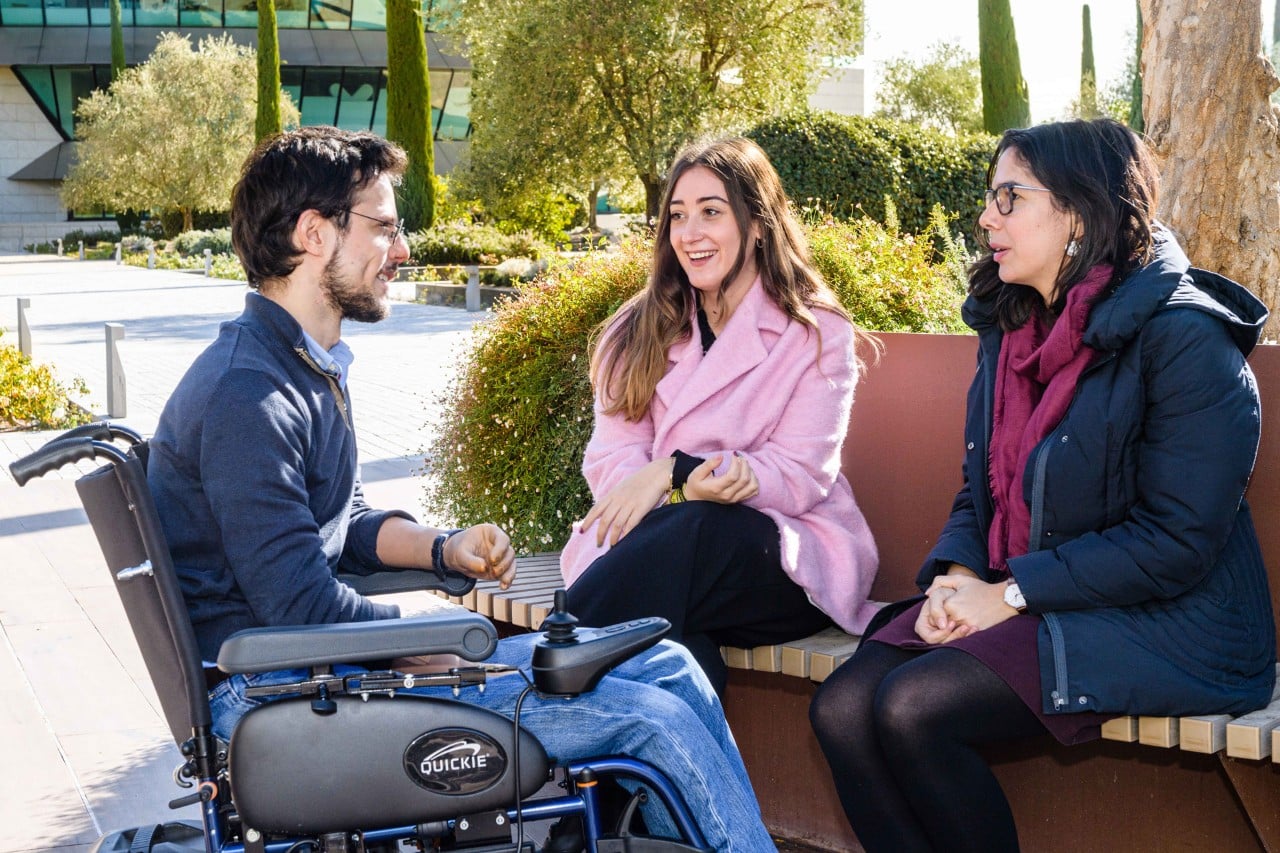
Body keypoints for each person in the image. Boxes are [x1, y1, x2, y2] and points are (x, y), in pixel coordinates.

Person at [145, 126, 776, 852]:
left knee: (670, 664)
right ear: (314, 234)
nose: (403, 249)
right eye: (383, 227)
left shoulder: (292, 370)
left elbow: (338, 523)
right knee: (650, 719)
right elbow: (299, 607)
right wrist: (434, 646)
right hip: (282, 699)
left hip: (314, 676)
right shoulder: (247, 396)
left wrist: (443, 549)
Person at [809, 117, 1277, 853]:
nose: (986, 217)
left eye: (1009, 197)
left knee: (914, 705)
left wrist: (1008, 593)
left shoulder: (1186, 338)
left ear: (1081, 214)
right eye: (990, 198)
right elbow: (982, 490)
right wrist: (956, 578)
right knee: (843, 705)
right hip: (1044, 594)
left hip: (1176, 619)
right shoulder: (1013, 330)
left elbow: (1175, 541)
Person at [559, 136, 880, 697]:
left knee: (699, 527)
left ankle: (546, 672)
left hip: (781, 560)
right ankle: (664, 785)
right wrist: (680, 486)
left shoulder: (815, 333)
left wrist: (676, 473)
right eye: (677, 216)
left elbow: (801, 475)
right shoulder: (632, 332)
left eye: (712, 212)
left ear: (757, 224)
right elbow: (612, 462)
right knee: (676, 657)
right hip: (657, 554)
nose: (690, 233)